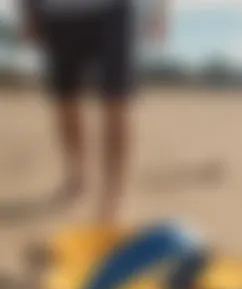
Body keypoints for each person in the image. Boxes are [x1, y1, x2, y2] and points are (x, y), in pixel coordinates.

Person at [20, 0, 170, 221]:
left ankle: (113, 197)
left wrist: (161, 9)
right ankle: (77, 174)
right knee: (65, 102)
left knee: (117, 101)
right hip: (57, 12)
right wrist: (28, 11)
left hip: (114, 10)